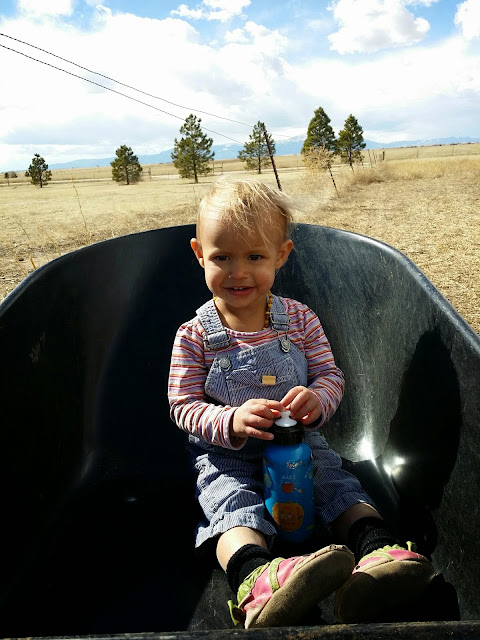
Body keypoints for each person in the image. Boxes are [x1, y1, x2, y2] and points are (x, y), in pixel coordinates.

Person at [168, 176, 435, 628]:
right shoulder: (194, 336)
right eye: (222, 257)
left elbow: (331, 376)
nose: (238, 272)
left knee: (338, 486)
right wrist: (230, 420)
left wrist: (317, 399)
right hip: (228, 458)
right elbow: (182, 405)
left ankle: (378, 556)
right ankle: (259, 582)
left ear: (281, 255)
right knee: (232, 510)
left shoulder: (300, 320)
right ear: (199, 254)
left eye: (255, 257)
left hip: (302, 447)